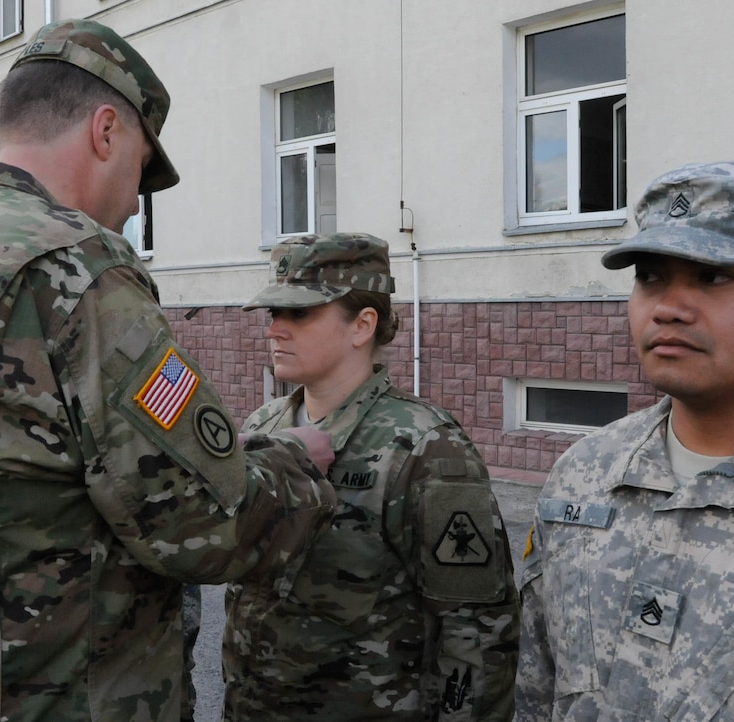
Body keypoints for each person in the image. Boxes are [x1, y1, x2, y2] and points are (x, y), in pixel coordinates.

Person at [0, 18, 337, 722]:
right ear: (107, 131)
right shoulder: (74, 270)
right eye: (142, 172)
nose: (134, 202)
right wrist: (297, 462)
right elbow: (202, 524)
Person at [222, 232, 521, 720]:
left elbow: (477, 630)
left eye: (298, 314)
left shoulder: (426, 445)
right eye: (272, 314)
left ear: (363, 325)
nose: (274, 330)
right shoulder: (263, 427)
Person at [516, 160, 734, 720]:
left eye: (713, 276)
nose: (668, 308)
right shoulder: (585, 472)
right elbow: (535, 688)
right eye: (650, 277)